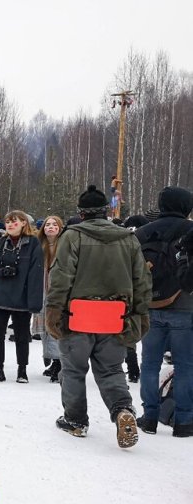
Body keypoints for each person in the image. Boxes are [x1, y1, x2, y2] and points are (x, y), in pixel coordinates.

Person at [45, 185, 151, 447]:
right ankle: (122, 410)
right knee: (111, 370)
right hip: (116, 317)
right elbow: (142, 280)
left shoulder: (72, 236)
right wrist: (140, 312)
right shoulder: (128, 238)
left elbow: (61, 277)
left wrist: (53, 309)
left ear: (81, 213)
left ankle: (76, 420)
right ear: (105, 211)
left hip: (77, 316)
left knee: (73, 370)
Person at [135, 187, 193, 438]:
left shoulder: (142, 232)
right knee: (185, 366)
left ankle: (149, 417)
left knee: (149, 365)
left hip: (150, 304)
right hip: (186, 305)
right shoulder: (190, 230)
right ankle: (184, 421)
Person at [0, 210, 44, 383]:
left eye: (13, 221)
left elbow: (35, 274)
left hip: (21, 298)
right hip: (0, 296)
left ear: (24, 223)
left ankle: (22, 370)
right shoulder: (1, 243)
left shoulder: (33, 244)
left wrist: (34, 302)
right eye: (7, 221)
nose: (9, 224)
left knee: (22, 336)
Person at [33, 216, 65, 382]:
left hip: (58, 292)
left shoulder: (65, 246)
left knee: (56, 326)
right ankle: (53, 360)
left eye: (54, 225)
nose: (50, 227)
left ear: (60, 228)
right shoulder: (39, 246)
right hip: (43, 291)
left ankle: (59, 362)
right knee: (46, 328)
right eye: (47, 225)